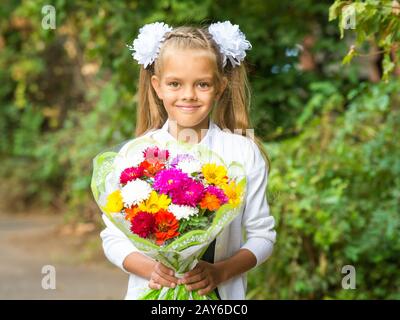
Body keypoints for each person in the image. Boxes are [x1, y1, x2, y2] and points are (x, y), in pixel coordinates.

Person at [99, 21, 277, 300]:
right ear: (157, 86)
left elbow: (263, 236)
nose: (188, 95)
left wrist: (221, 272)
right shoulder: (136, 154)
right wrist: (150, 269)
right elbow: (113, 237)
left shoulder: (242, 152)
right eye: (174, 84)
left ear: (220, 87)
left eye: (202, 84)